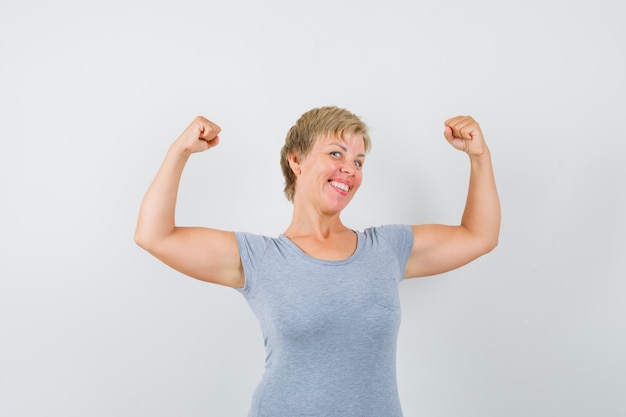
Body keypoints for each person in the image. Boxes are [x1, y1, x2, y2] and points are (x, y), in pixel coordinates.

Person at [134, 106, 500, 417]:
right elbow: (154, 235)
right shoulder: (260, 258)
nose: (350, 169)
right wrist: (179, 150)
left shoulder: (386, 249)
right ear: (297, 160)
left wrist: (479, 157)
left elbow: (478, 236)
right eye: (336, 154)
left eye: (358, 161)